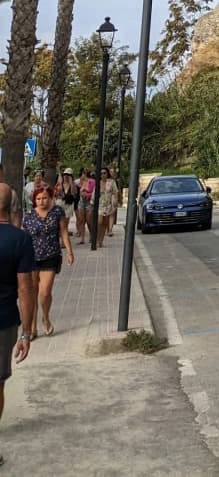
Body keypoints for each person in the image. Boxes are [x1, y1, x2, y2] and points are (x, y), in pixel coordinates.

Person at [0, 184, 35, 461]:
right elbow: (25, 289)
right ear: (12, 207)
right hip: (4, 322)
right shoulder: (20, 240)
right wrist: (26, 332)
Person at [22, 187, 73, 338]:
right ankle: (32, 327)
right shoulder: (29, 216)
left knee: (44, 292)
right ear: (34, 200)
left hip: (51, 256)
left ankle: (45, 317)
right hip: (31, 257)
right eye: (38, 199)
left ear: (50, 198)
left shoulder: (57, 212)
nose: (41, 201)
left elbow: (63, 232)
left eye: (44, 198)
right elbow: (24, 237)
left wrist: (69, 251)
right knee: (32, 293)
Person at [96, 169, 118, 248]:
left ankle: (101, 241)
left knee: (104, 224)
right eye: (101, 173)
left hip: (108, 205)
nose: (103, 175)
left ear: (107, 174)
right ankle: (98, 238)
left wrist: (115, 202)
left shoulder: (111, 182)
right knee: (99, 222)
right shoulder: (97, 183)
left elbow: (115, 192)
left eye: (104, 173)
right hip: (99, 205)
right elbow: (94, 193)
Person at [75, 169, 94, 245]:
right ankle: (82, 238)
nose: (82, 175)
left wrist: (87, 194)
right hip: (81, 202)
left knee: (89, 220)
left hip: (89, 202)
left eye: (84, 173)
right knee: (81, 220)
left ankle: (92, 235)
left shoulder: (92, 181)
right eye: (82, 173)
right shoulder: (79, 182)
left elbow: (94, 192)